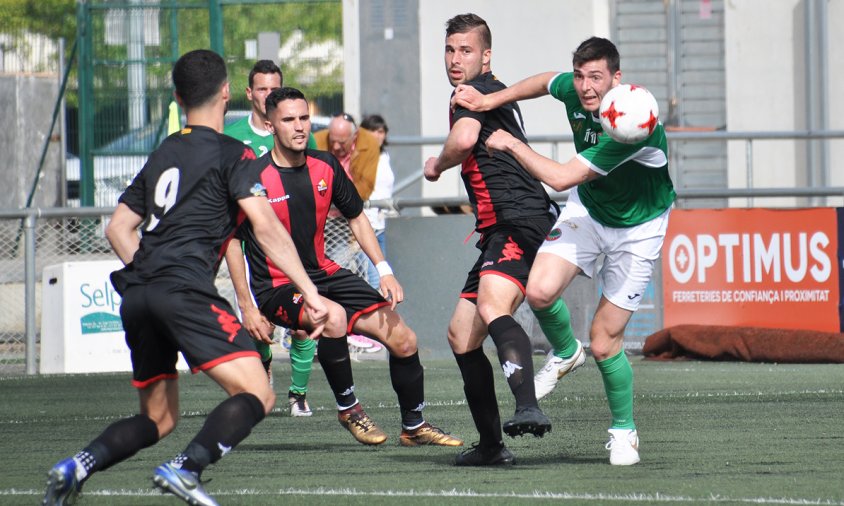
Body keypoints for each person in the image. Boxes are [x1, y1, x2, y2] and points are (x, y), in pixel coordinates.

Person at [43, 50, 328, 506]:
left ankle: (76, 466)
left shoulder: (165, 151)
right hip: (183, 291)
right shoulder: (232, 153)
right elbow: (266, 226)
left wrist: (152, 276)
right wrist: (312, 294)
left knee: (158, 418)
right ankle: (187, 468)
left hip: (138, 294)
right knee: (259, 391)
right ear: (227, 93)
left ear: (177, 96)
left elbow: (117, 227)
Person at [452, 36, 675, 466]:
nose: (586, 86)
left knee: (606, 341)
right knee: (537, 292)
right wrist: (490, 99)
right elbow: (542, 83)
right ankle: (566, 352)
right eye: (580, 76)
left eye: (596, 77)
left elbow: (558, 178)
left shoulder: (633, 127)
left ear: (617, 79)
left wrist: (512, 143)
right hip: (589, 212)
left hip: (638, 230)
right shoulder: (575, 89)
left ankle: (624, 430)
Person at [225, 86, 464, 449]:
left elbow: (357, 217)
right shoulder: (252, 179)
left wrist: (383, 269)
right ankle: (349, 408)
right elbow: (231, 241)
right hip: (277, 287)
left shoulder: (325, 166)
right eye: (288, 119)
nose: (299, 126)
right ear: (271, 125)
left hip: (326, 274)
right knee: (332, 316)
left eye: (304, 117)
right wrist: (246, 306)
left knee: (404, 339)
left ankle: (414, 427)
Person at [423, 13, 558, 467]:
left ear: (486, 55)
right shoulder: (487, 90)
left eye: (466, 50)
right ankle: (491, 446)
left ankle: (527, 405)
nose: (456, 59)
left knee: (492, 306)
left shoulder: (471, 95)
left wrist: (436, 165)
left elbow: (462, 140)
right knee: (462, 336)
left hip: (518, 221)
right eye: (450, 49)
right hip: (501, 227)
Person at [225, 59, 317, 416]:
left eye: (273, 88)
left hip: (288, 240)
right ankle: (262, 368)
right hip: (245, 237)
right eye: (261, 89)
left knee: (304, 322)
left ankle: (298, 394)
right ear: (249, 93)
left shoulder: (291, 130)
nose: (267, 95)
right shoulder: (230, 137)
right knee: (257, 321)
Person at [314, 113, 384, 353]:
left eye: (341, 142)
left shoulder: (368, 144)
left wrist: (335, 198)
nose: (335, 146)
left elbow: (364, 188)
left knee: (373, 274)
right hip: (327, 222)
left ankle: (366, 330)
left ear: (353, 137)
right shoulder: (317, 141)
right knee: (331, 271)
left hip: (354, 217)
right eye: (332, 140)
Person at [357, 114, 396, 290]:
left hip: (381, 224)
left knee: (384, 277)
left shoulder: (384, 155)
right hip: (364, 224)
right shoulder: (359, 155)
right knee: (374, 280)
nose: (377, 136)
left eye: (380, 131)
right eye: (372, 131)